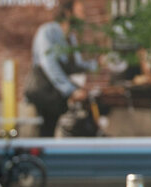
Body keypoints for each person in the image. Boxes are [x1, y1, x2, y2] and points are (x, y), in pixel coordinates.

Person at [26, 0, 101, 137]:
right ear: (68, 12)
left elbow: (76, 64)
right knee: (41, 135)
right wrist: (70, 90)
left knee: (52, 133)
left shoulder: (70, 37)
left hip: (56, 96)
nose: (83, 16)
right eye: (80, 12)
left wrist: (97, 64)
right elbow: (49, 64)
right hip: (44, 94)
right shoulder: (48, 31)